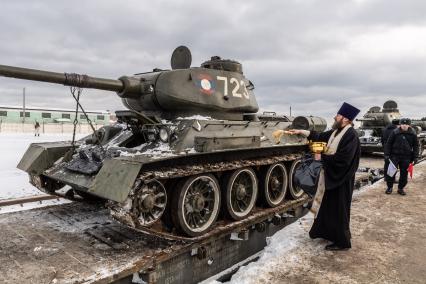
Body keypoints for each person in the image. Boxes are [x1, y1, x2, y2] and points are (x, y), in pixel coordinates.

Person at [289, 102, 361, 251]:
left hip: (341, 178)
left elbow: (344, 159)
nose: (335, 117)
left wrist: (320, 157)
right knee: (327, 207)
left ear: (346, 119)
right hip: (331, 175)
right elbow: (319, 136)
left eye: (339, 115)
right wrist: (301, 131)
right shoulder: (336, 132)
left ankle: (342, 242)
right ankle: (325, 232)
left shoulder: (351, 135)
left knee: (339, 209)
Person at [384, 118, 418, 195]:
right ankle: (389, 187)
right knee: (391, 172)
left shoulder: (413, 133)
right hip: (394, 156)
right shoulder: (395, 132)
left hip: (406, 157)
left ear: (409, 125)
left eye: (406, 124)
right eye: (402, 124)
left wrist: (416, 157)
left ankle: (400, 188)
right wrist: (386, 154)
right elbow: (389, 144)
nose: (404, 126)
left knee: (404, 174)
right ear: (400, 124)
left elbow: (416, 146)